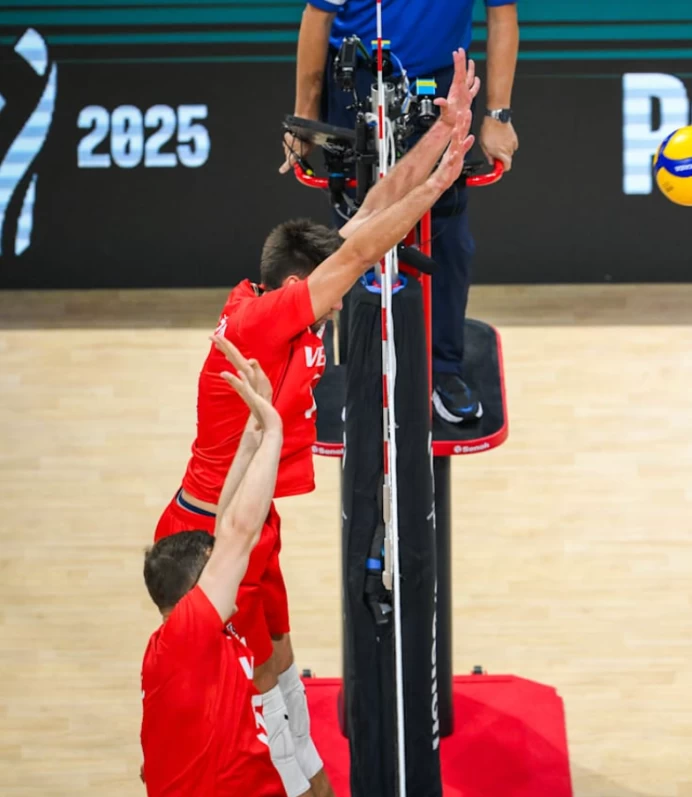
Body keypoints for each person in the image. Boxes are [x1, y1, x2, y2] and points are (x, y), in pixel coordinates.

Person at [152, 54, 478, 797]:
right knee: (250, 715)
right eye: (327, 297)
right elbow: (364, 248)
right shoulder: (265, 321)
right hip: (209, 540)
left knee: (283, 674)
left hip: (251, 520)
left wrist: (441, 138)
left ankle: (315, 784)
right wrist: (437, 185)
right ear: (297, 289)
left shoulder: (275, 296)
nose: (337, 309)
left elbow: (362, 222)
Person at [283, 0, 521, 424]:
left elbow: (502, 14)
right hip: (354, 79)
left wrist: (498, 115)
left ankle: (442, 372)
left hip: (440, 81)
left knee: (446, 235)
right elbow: (317, 17)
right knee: (355, 238)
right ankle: (362, 375)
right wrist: (305, 117)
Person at [141, 337, 294, 797]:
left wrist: (250, 437)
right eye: (215, 569)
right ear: (194, 595)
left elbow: (227, 527)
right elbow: (240, 531)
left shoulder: (183, 634)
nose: (228, 567)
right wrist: (274, 432)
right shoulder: (188, 635)